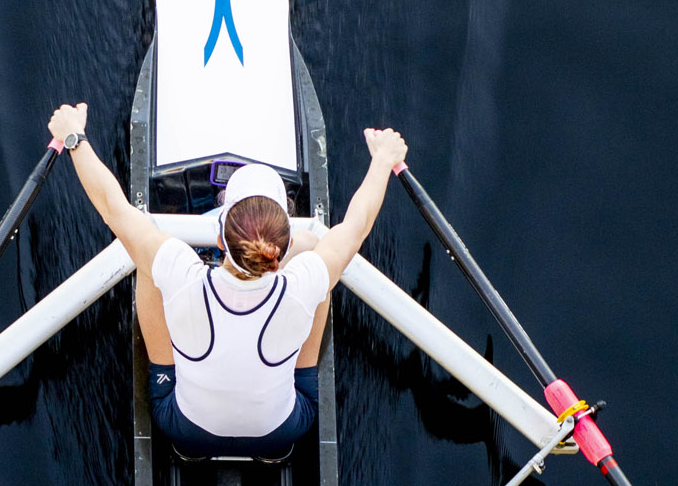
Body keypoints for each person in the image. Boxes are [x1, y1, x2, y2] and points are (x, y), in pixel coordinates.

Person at [48, 102, 409, 454]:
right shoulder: (303, 281)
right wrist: (381, 160)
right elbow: (356, 225)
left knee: (147, 262)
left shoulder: (180, 271)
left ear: (220, 238)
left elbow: (113, 207)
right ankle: (275, 441)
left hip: (186, 431)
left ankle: (167, 389)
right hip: (281, 434)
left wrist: (74, 137)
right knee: (320, 270)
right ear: (280, 249)